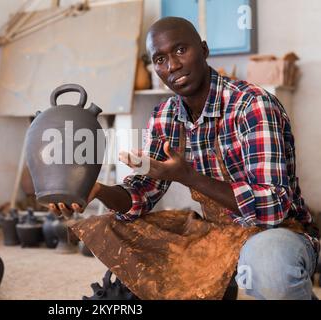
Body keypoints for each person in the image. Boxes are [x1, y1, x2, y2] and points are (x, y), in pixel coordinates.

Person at [49, 17, 319, 300]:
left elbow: (272, 208)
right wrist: (98, 191)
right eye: (160, 59)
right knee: (112, 227)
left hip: (279, 232)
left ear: (203, 50)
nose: (172, 66)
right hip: (217, 235)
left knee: (269, 266)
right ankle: (219, 285)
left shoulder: (252, 105)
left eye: (180, 51)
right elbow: (139, 195)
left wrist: (186, 176)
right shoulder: (163, 117)